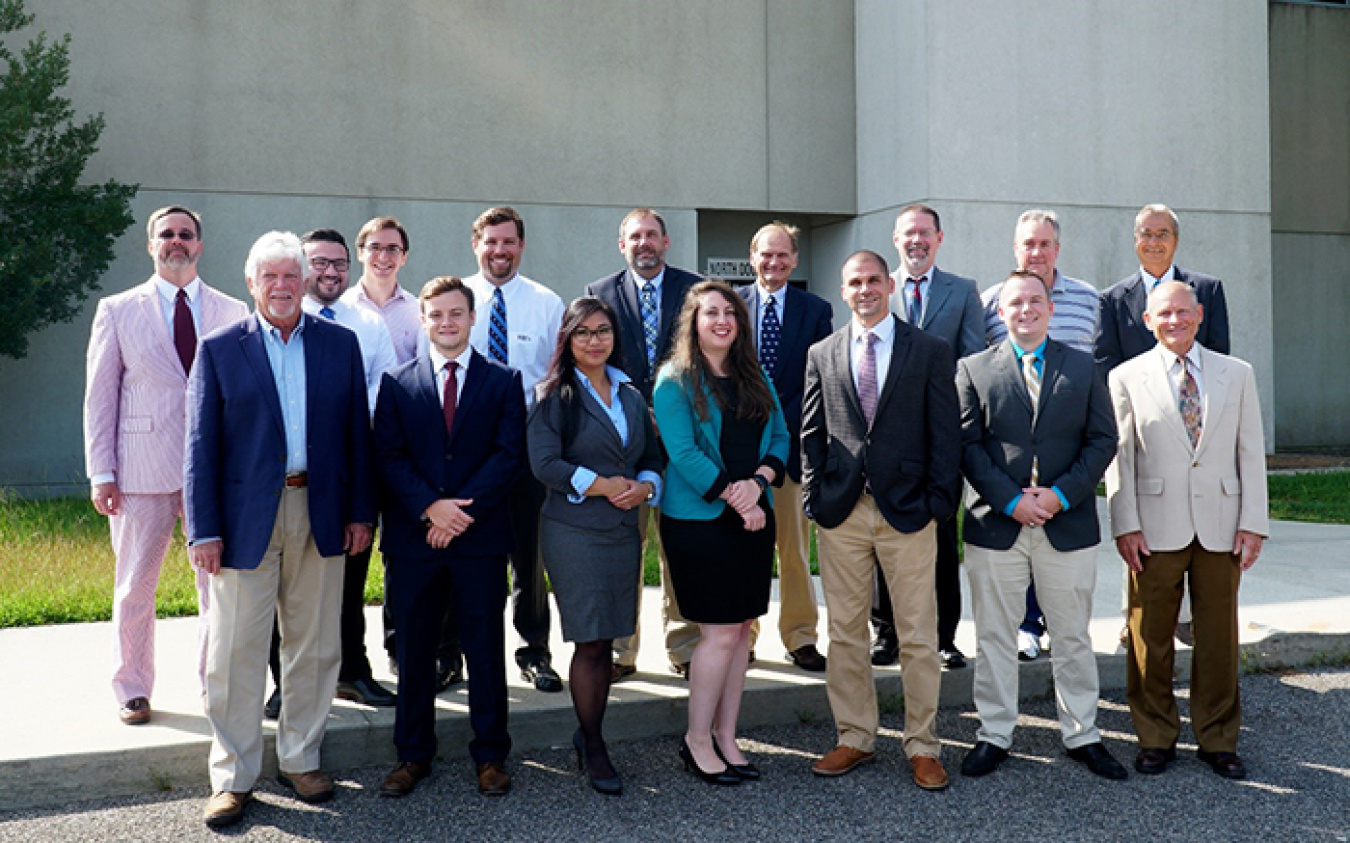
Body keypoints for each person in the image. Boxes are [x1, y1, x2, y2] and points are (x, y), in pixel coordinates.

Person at [184, 231, 375, 828]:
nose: (283, 286)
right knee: (236, 649)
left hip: (318, 510)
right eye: (270, 277)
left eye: (292, 275)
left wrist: (360, 513)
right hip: (244, 521)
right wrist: (203, 530)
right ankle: (234, 775)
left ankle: (301, 756)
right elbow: (199, 449)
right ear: (252, 284)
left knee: (315, 644)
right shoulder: (220, 349)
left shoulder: (338, 345)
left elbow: (356, 440)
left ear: (307, 280)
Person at [956, 270, 1127, 781]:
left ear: (1050, 309)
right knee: (994, 636)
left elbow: (1102, 440)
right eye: (1015, 303)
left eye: (1035, 301)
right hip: (997, 525)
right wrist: (1012, 500)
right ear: (1000, 312)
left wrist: (1057, 495)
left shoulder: (1083, 367)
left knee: (1072, 635)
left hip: (1065, 521)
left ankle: (1083, 734)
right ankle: (994, 734)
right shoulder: (972, 369)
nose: (1025, 310)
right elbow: (967, 446)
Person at [83, 206, 248, 725]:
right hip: (140, 469)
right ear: (150, 244)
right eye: (166, 235)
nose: (176, 242)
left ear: (200, 245)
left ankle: (212, 684)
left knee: (216, 588)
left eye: (186, 234)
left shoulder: (233, 311)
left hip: (214, 473)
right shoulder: (117, 309)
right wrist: (101, 471)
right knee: (135, 585)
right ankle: (131, 686)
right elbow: (99, 395)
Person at [801, 250, 958, 791]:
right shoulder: (823, 351)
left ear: (890, 285)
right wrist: (813, 498)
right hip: (842, 512)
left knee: (917, 634)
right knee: (844, 633)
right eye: (854, 283)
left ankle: (923, 745)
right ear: (842, 291)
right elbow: (811, 432)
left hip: (910, 512)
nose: (864, 289)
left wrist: (940, 502)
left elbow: (946, 434)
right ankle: (855, 737)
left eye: (873, 280)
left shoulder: (931, 351)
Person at [1106, 281, 1268, 781]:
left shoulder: (1236, 374)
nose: (1174, 320)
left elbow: (1250, 451)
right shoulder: (1126, 376)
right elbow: (1120, 457)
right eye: (1164, 314)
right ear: (1148, 322)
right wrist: (1125, 524)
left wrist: (1253, 523)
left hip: (1222, 523)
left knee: (1219, 637)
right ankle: (1155, 736)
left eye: (1183, 311)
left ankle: (1218, 738)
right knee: (1148, 637)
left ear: (1199, 315)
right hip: (1153, 527)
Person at [373, 276, 525, 799]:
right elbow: (388, 457)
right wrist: (430, 509)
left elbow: (507, 456)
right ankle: (413, 756)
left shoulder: (503, 381)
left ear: (471, 316)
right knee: (414, 651)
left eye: (456, 313)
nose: (446, 322)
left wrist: (459, 514)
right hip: (414, 542)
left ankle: (490, 756)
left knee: (484, 649)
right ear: (423, 319)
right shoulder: (397, 382)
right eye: (435, 314)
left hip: (479, 539)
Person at [654, 279, 789, 786]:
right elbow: (683, 453)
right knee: (715, 634)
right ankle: (696, 740)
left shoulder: (754, 375)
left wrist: (758, 485)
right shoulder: (674, 380)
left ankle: (728, 736)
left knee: (739, 633)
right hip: (700, 521)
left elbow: (780, 435)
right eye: (710, 312)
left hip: (755, 513)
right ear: (694, 322)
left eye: (729, 312)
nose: (721, 320)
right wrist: (738, 498)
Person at [527, 296, 664, 795]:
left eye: (602, 331)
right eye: (582, 332)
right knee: (589, 640)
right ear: (568, 339)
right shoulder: (552, 395)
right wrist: (604, 484)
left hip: (624, 530)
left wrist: (645, 486)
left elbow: (651, 454)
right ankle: (594, 742)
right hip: (574, 531)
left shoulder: (629, 392)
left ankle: (589, 734)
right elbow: (544, 465)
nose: (594, 340)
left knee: (608, 638)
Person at [263, 229, 399, 719]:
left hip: (348, 470)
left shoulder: (367, 322)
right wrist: (336, 407)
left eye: (339, 264)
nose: (330, 272)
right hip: (289, 477)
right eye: (319, 262)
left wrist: (337, 411)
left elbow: (385, 391)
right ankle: (284, 682)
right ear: (301, 269)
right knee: (284, 584)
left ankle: (352, 671)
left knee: (349, 576)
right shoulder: (272, 322)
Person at [1096, 204, 1232, 644]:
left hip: (1197, 428)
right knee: (1138, 524)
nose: (1154, 241)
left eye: (1163, 233)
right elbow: (1106, 364)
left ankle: (1189, 617)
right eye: (1146, 233)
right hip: (1141, 428)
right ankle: (1132, 616)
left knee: (1198, 522)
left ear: (1176, 239)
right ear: (1135, 240)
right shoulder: (1114, 299)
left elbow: (1220, 359)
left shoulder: (1206, 290)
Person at [343, 216, 463, 690]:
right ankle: (350, 662)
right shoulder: (338, 308)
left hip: (403, 455)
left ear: (404, 256)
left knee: (400, 553)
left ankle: (404, 648)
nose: (384, 256)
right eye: (375, 247)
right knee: (352, 559)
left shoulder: (419, 311)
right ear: (361, 252)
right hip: (354, 452)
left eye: (393, 248)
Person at [585, 209, 701, 679]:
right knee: (623, 547)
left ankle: (686, 646)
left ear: (666, 242)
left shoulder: (694, 288)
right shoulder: (600, 293)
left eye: (652, 235)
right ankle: (620, 650)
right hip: (624, 444)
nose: (644, 243)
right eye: (635, 236)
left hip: (683, 440)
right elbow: (597, 357)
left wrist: (671, 415)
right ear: (622, 245)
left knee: (680, 544)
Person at [980, 209, 1101, 661]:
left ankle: (1059, 625)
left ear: (1057, 249)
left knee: (1060, 537)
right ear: (1015, 249)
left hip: (1070, 441)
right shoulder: (994, 299)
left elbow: (1095, 363)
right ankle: (1028, 625)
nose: (1036, 252)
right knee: (1022, 531)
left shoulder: (1089, 299)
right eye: (1027, 244)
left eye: (1044, 244)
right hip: (1014, 443)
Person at [871, 203, 984, 672]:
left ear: (939, 238)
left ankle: (943, 637)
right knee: (882, 534)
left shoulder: (962, 292)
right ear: (895, 240)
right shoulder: (878, 289)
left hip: (941, 435)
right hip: (887, 438)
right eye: (907, 234)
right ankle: (887, 634)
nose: (916, 241)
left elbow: (972, 360)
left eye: (924, 233)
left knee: (939, 536)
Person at [464, 206, 566, 693]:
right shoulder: (456, 299)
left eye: (508, 242)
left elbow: (556, 377)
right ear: (476, 245)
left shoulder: (547, 304)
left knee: (530, 557)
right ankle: (452, 652)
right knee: (464, 551)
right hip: (466, 450)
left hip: (528, 447)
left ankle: (534, 651)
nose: (499, 251)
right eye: (491, 241)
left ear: (521, 246)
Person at [736, 221, 832, 673]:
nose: (773, 263)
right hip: (738, 450)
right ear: (751, 257)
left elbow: (818, 378)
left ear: (794, 259)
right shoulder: (730, 305)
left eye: (782, 255)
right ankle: (743, 635)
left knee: (793, 550)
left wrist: (779, 422)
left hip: (791, 450)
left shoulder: (815, 310)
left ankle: (800, 638)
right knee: (744, 547)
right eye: (764, 254)